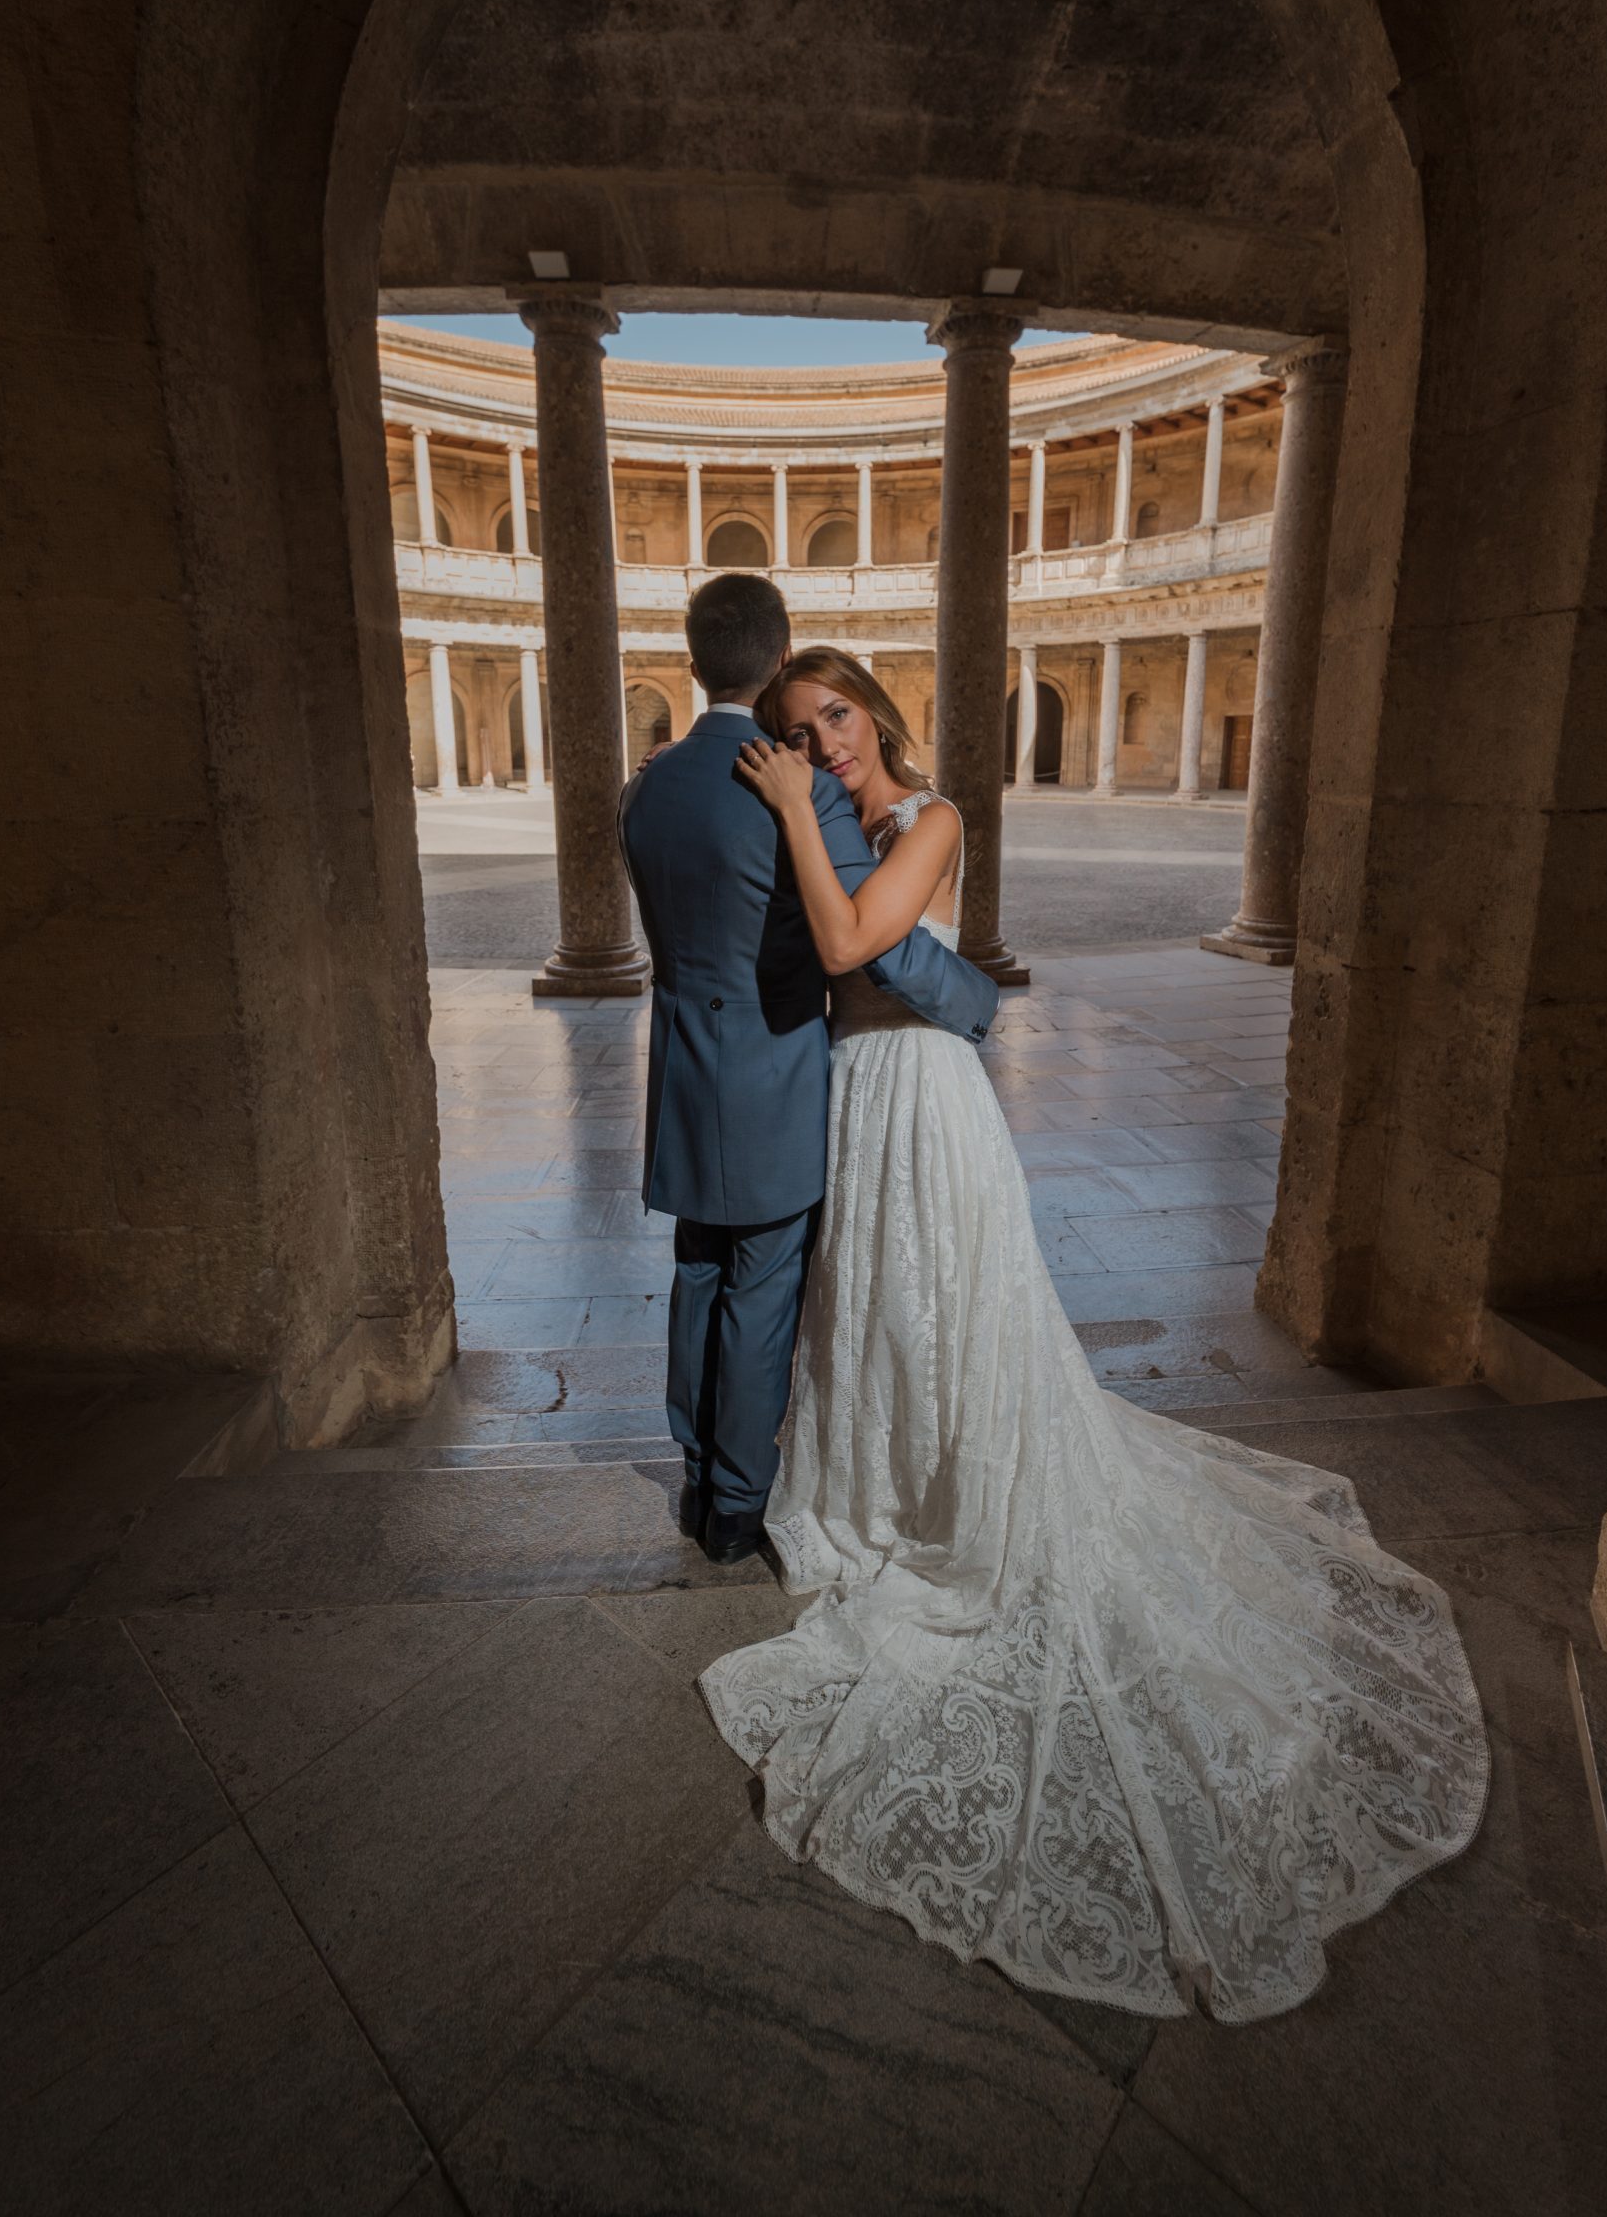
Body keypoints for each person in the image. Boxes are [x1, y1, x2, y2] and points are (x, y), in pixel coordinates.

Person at [699, 645, 1491, 2024]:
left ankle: (968, 1507)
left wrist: (780, 815)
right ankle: (882, 1491)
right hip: (855, 1096)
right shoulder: (839, 827)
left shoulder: (929, 818)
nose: (819, 744)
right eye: (792, 730)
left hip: (925, 1100)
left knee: (953, 1311)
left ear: (874, 714)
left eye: (832, 718)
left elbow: (847, 947)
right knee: (879, 1317)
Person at [618, 577, 999, 1568]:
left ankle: (699, 1473)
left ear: (691, 656)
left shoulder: (646, 785)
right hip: (776, 1086)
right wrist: (977, 1004)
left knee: (697, 1273)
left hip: (682, 1083)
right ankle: (737, 1505)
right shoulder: (799, 793)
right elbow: (879, 950)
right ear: (778, 653)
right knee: (759, 1290)